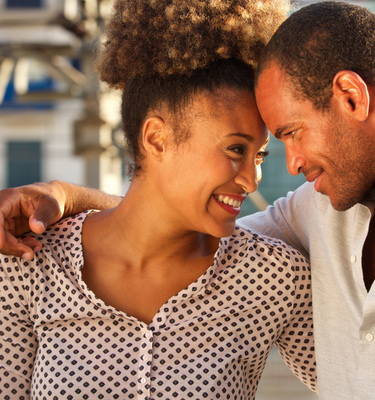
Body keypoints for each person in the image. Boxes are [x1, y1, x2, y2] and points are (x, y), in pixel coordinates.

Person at [1, 1, 375, 399]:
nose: (286, 167)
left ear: (349, 96)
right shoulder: (318, 212)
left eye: (285, 136)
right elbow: (171, 218)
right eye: (252, 147)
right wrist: (59, 195)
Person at [0, 0, 317, 399]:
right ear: (156, 139)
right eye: (236, 149)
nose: (252, 180)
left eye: (259, 156)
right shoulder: (29, 263)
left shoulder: (275, 278)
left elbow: (362, 382)